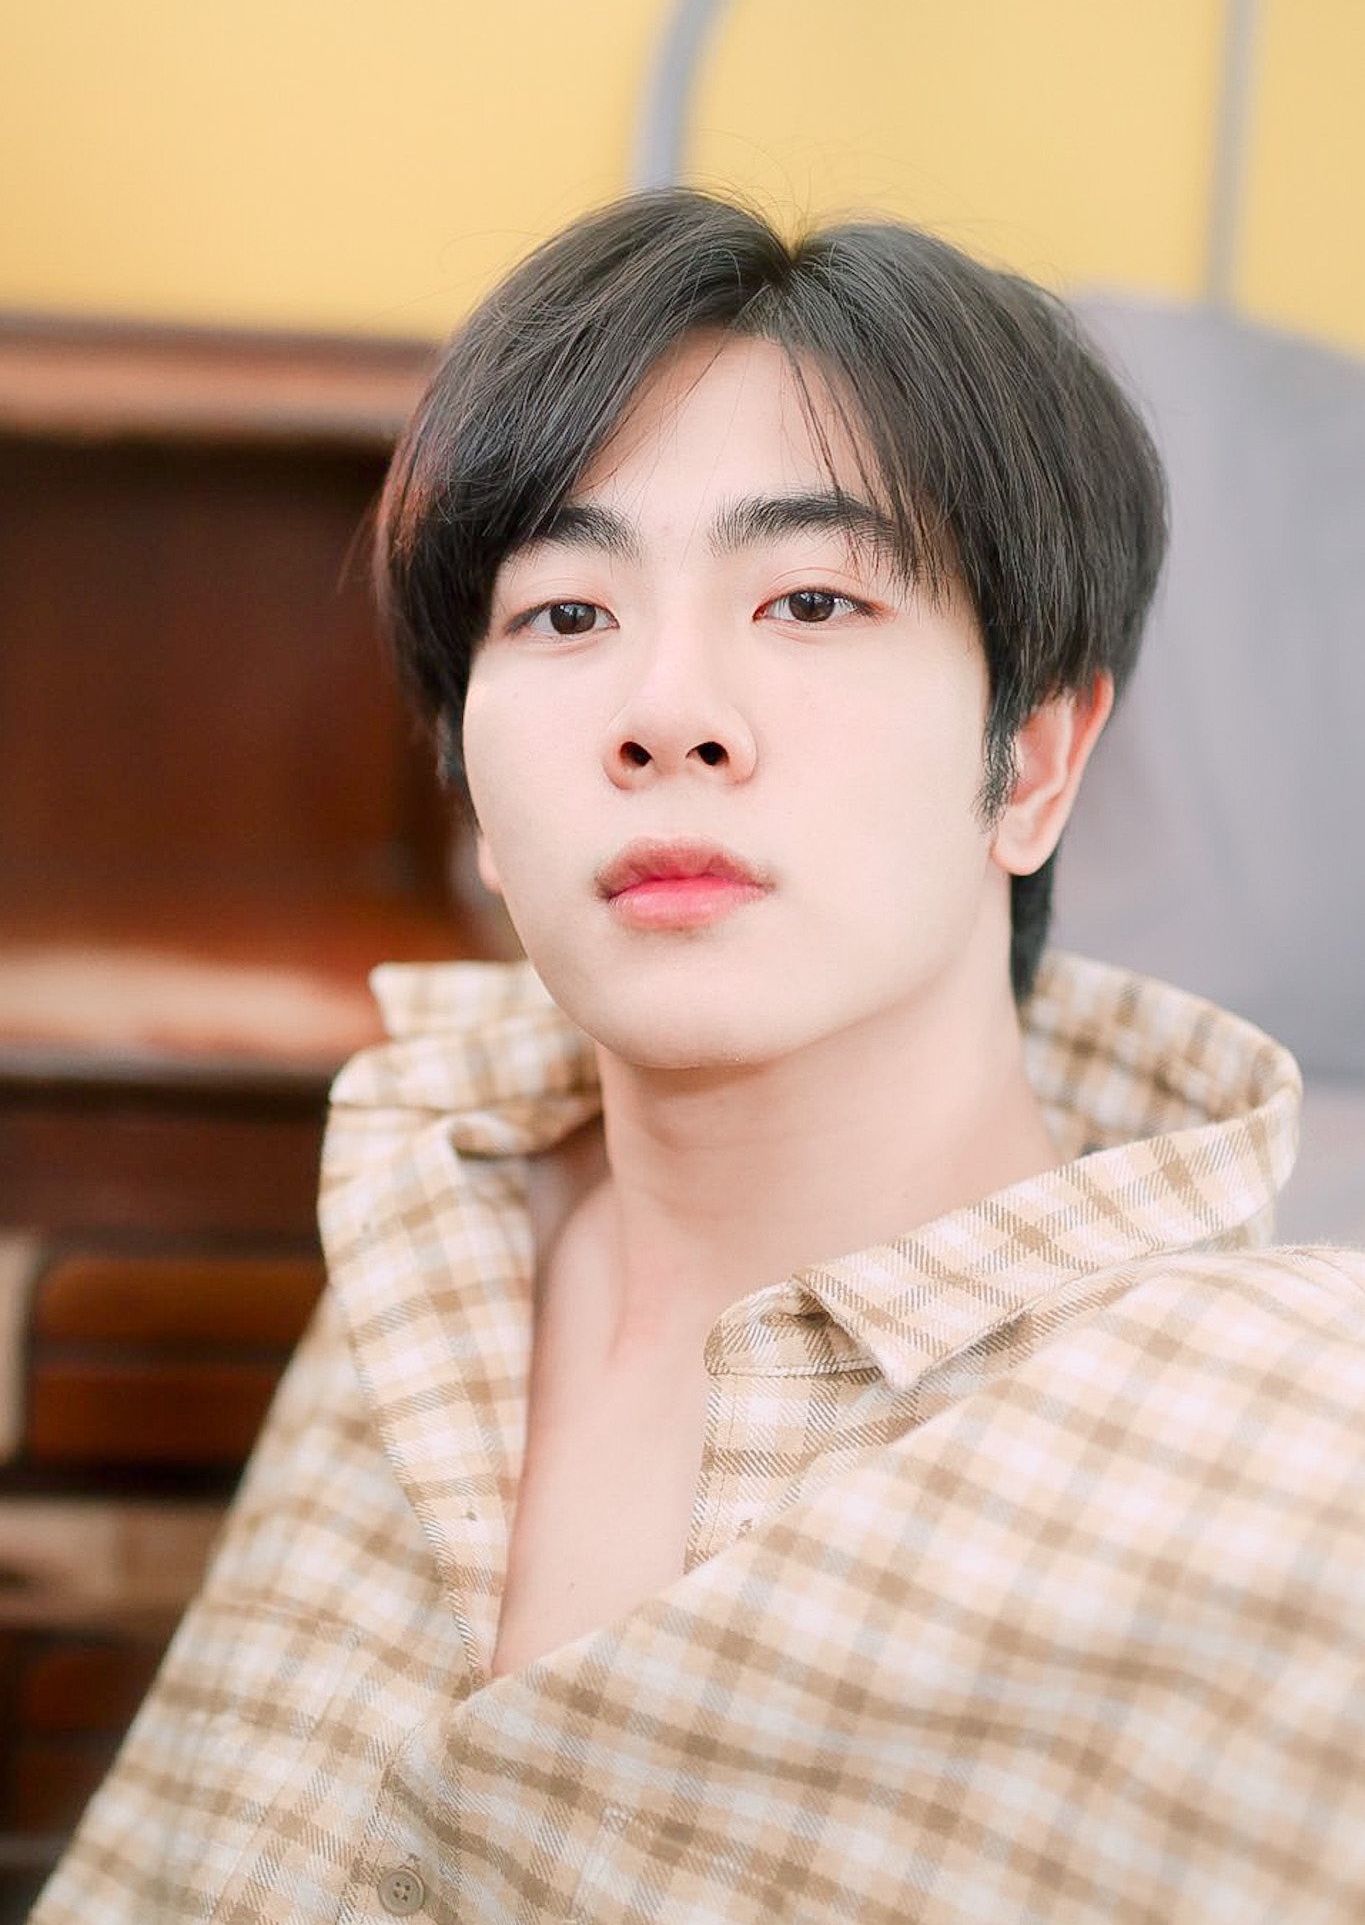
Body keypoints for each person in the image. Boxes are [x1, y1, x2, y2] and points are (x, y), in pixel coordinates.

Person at [32, 191, 1365, 1923]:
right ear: (474, 796)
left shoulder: (1287, 1450)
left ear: (1032, 762)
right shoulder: (427, 1222)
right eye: (564, 614)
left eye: (809, 599)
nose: (668, 711)